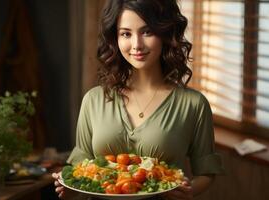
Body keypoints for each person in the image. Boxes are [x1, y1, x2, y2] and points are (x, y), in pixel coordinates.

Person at [53, 0, 224, 199]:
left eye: (147, 32)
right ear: (115, 38)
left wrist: (189, 191)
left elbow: (206, 172)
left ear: (166, 33)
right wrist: (70, 187)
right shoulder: (93, 100)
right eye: (126, 33)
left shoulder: (193, 105)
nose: (136, 45)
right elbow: (81, 165)